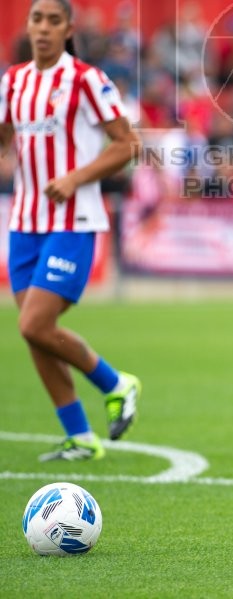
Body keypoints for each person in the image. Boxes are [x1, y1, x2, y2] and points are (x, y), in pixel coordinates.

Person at [0, 0, 142, 461]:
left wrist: (76, 177)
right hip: (24, 222)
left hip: (73, 220)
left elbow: (127, 144)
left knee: (34, 322)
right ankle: (80, 436)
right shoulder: (13, 81)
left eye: (53, 20)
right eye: (36, 19)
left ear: (68, 29)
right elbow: (6, 137)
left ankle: (115, 382)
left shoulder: (86, 80)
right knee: (35, 332)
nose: (43, 28)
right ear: (28, 26)